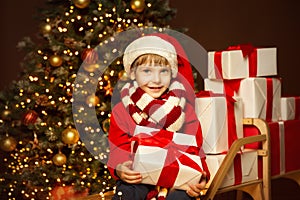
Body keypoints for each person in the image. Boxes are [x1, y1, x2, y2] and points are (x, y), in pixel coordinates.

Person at [107, 34, 209, 200]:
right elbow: (118, 149)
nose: (156, 79)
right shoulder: (122, 111)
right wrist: (120, 168)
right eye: (147, 71)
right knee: (127, 191)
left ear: (172, 74)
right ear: (133, 73)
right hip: (140, 176)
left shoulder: (184, 110)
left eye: (163, 71)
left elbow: (195, 150)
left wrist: (200, 178)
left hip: (176, 176)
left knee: (181, 197)